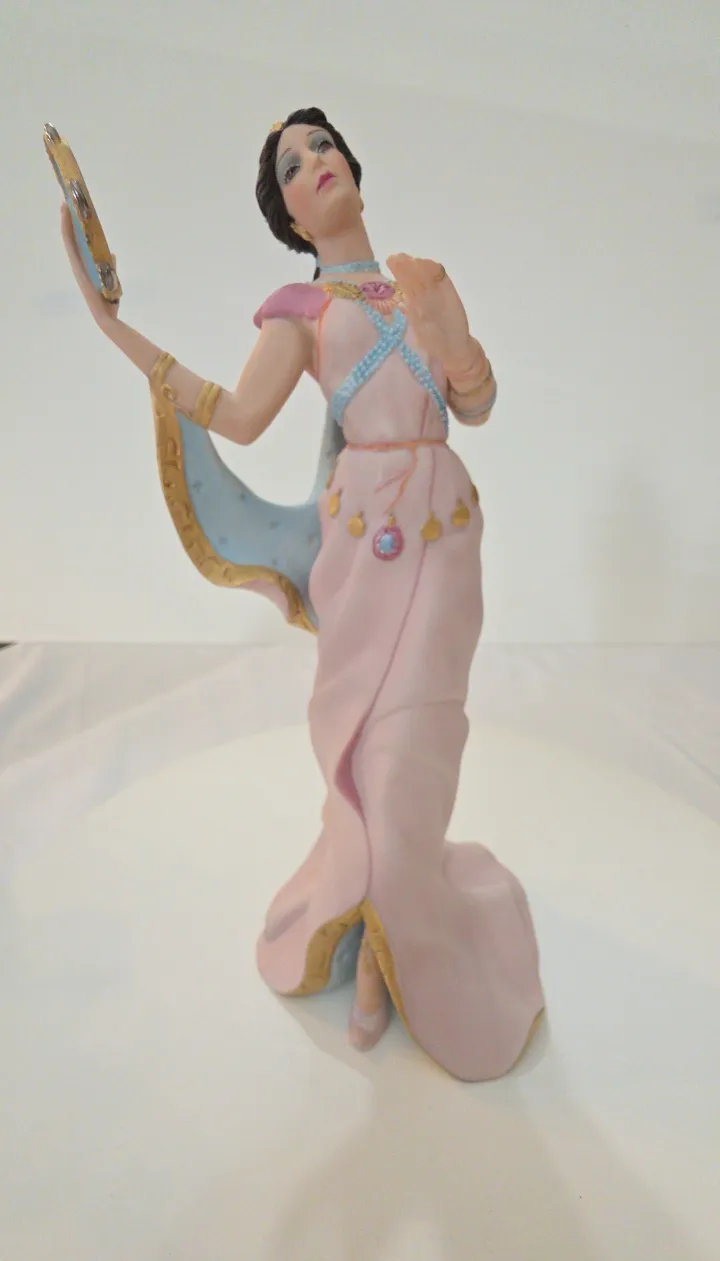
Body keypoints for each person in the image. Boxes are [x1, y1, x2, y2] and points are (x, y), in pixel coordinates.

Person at [60, 106, 544, 1081]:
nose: (314, 161)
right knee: (373, 754)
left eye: (322, 145)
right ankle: (376, 939)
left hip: (446, 540)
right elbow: (238, 417)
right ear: (285, 214)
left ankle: (395, 942)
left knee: (423, 748)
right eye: (291, 164)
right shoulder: (302, 311)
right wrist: (120, 332)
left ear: (353, 166)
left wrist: (456, 339)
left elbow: (477, 405)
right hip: (366, 551)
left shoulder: (415, 281)